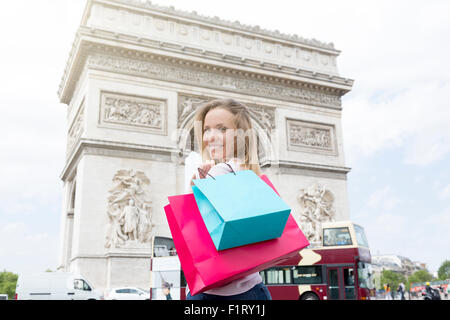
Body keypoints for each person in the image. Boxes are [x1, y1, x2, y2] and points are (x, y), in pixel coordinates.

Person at [186, 98, 271, 301]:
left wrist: (195, 189)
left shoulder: (220, 171)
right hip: (254, 289)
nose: (210, 137)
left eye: (222, 129)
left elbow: (194, 227)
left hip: (214, 291)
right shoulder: (248, 174)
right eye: (206, 129)